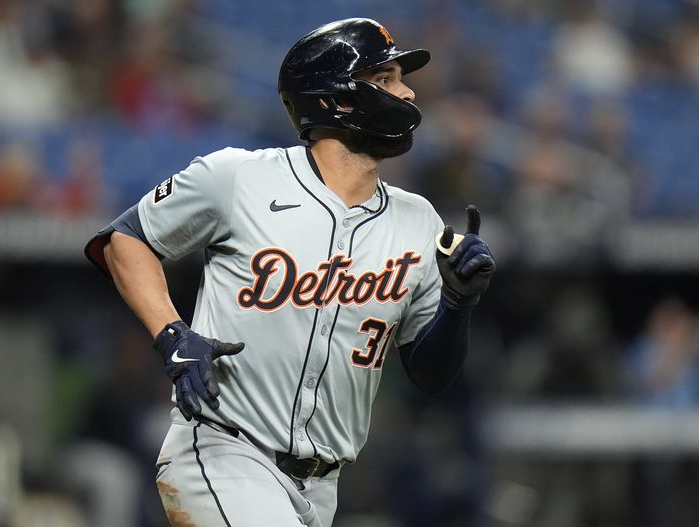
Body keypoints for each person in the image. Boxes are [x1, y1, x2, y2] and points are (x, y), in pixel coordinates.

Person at [84, 18, 495, 527]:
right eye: (385, 78)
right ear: (335, 98)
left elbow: (431, 375)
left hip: (323, 486)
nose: (407, 92)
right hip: (225, 453)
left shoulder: (419, 221)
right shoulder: (240, 177)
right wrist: (172, 334)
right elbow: (125, 240)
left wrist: (458, 304)